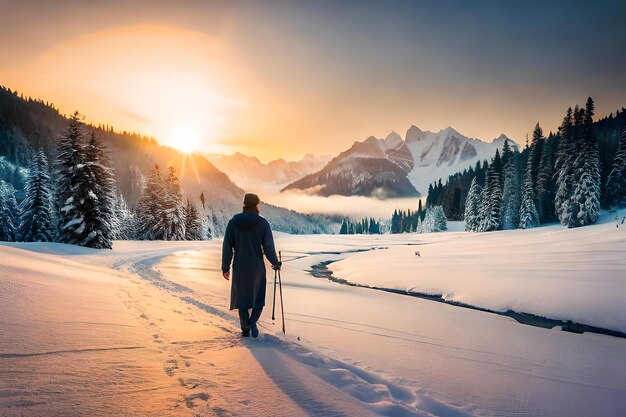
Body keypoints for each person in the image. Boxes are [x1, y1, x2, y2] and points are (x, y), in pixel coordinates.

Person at [221, 193, 281, 338]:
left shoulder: (233, 222)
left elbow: (227, 246)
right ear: (257, 205)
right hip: (257, 268)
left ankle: (245, 328)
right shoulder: (262, 223)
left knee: (242, 298)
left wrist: (225, 267)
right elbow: (268, 247)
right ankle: (253, 321)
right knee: (258, 297)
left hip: (240, 266)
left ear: (244, 205)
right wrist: (275, 263)